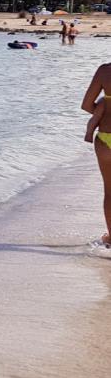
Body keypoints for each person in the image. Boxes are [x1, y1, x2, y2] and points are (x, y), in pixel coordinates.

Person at [81, 61, 111, 246]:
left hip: (106, 138)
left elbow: (86, 105)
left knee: (110, 191)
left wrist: (101, 112)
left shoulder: (105, 71)